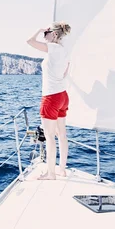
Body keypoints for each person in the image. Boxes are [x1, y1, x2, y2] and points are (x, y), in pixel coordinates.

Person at [27, 21, 71, 180]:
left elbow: (29, 42)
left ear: (55, 34)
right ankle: (62, 170)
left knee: (50, 136)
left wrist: (39, 30)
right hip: (63, 96)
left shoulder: (52, 48)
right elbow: (66, 72)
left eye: (48, 32)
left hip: (51, 97)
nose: (46, 34)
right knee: (62, 135)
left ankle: (51, 174)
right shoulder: (64, 51)